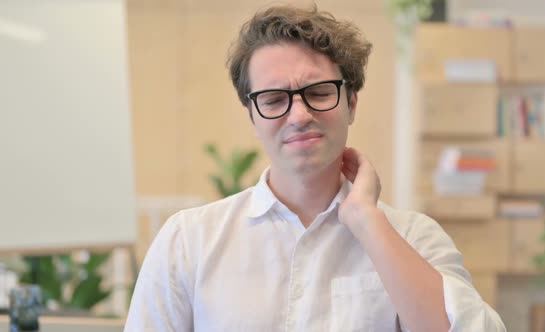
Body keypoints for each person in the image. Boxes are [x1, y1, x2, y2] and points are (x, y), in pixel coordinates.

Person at [125, 5, 506, 332]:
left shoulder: (414, 237)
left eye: (320, 93)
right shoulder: (189, 241)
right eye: (274, 99)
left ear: (351, 103)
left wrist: (366, 221)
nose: (300, 115)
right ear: (253, 116)